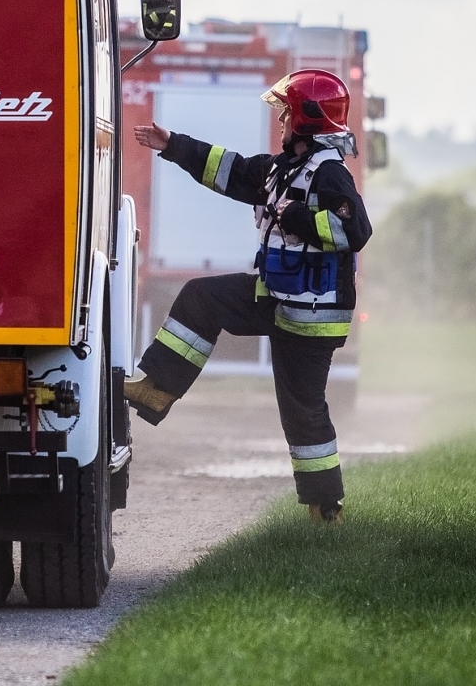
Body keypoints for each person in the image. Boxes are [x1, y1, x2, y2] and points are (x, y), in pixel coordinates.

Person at [125, 69, 372, 522]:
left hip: (312, 317)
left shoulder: (330, 174)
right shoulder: (282, 169)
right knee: (202, 298)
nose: (279, 122)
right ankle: (156, 389)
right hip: (277, 298)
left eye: (285, 114)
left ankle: (326, 509)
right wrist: (173, 145)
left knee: (303, 413)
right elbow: (233, 171)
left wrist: (295, 215)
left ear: (305, 119)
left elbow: (354, 231)